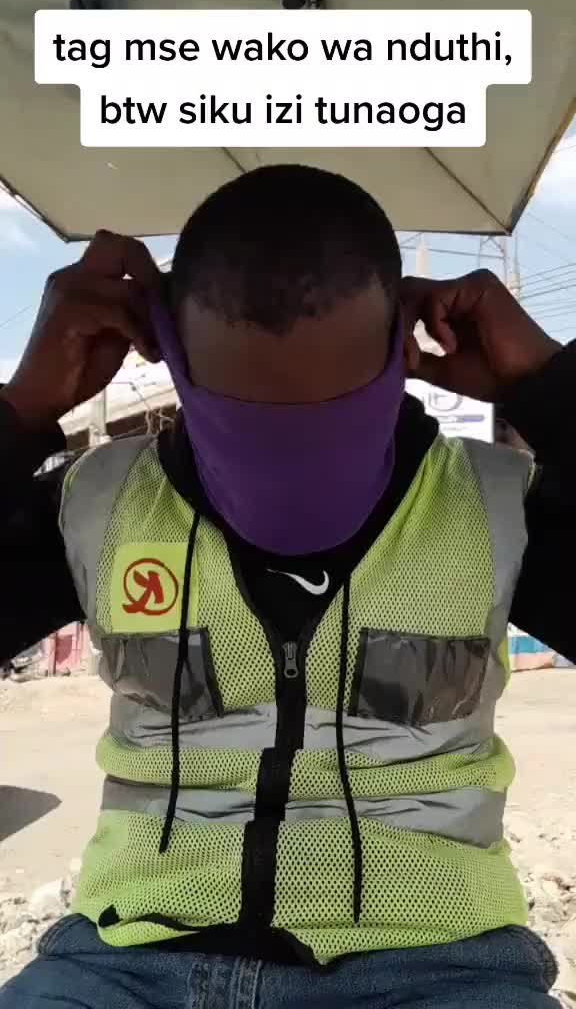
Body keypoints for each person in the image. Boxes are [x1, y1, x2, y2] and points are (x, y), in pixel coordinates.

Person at [0, 165, 573, 1008]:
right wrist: (18, 412)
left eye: (335, 413)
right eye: (246, 417)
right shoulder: (99, 505)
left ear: (402, 348)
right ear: (167, 348)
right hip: (129, 955)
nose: (291, 461)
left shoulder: (492, 508)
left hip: (433, 962)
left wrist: (554, 387)